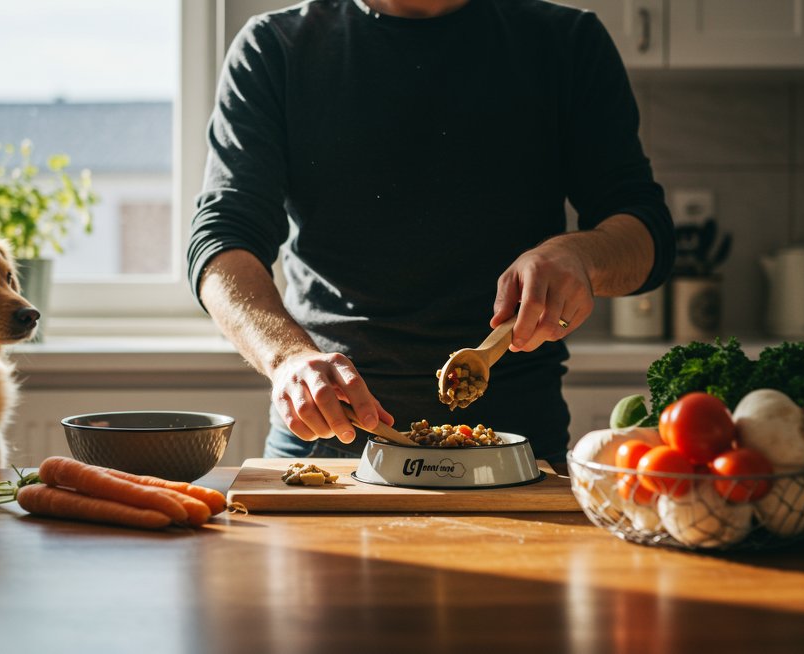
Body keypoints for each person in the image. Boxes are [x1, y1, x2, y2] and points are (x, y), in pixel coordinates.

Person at [187, 0, 674, 467]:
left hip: (516, 454)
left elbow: (645, 232)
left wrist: (582, 257)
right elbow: (223, 239)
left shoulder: (567, 43)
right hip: (329, 443)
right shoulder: (276, 47)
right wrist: (287, 358)